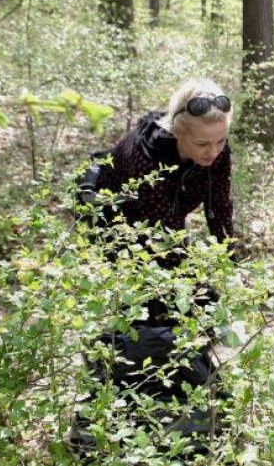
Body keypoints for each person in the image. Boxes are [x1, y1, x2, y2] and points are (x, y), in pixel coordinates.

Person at [70, 78, 237, 453]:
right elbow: (158, 242)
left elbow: (219, 206)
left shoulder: (216, 148)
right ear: (178, 132)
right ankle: (103, 425)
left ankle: (185, 417)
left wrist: (229, 261)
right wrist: (198, 291)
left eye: (221, 141)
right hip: (116, 229)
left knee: (187, 309)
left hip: (162, 231)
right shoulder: (145, 155)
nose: (213, 151)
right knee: (145, 314)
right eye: (202, 143)